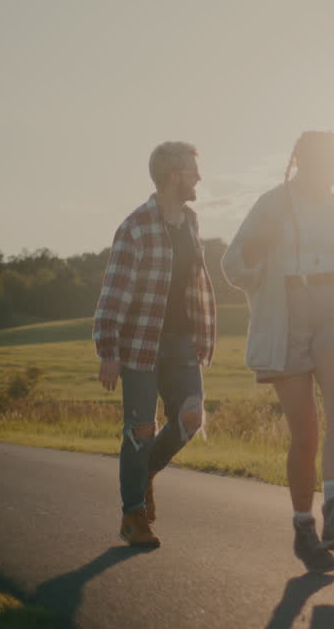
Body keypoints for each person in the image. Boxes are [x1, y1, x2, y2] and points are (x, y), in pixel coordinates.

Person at [222, 131, 334, 573]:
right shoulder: (271, 204)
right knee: (305, 431)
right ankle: (303, 526)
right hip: (285, 313)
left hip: (331, 310)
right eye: (322, 161)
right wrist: (258, 244)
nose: (330, 169)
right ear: (300, 161)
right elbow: (233, 266)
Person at [94, 141, 216, 548]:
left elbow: (194, 283)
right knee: (140, 429)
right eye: (193, 171)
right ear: (173, 175)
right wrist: (108, 351)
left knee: (191, 417)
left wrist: (202, 333)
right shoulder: (136, 226)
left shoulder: (191, 222)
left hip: (182, 341)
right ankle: (132, 515)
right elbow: (114, 290)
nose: (199, 177)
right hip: (140, 344)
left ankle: (144, 470)